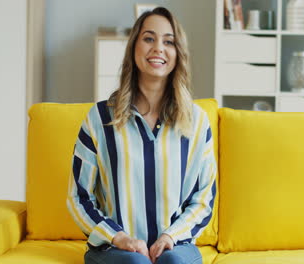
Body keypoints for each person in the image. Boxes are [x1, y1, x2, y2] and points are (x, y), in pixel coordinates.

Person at [66, 7, 217, 264]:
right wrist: (119, 238)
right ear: (133, 47)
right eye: (149, 38)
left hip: (176, 247)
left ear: (177, 53)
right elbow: (78, 197)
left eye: (168, 41)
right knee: (136, 262)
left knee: (174, 262)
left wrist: (170, 237)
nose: (158, 47)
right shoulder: (100, 119)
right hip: (115, 250)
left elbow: (204, 198)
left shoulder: (196, 122)